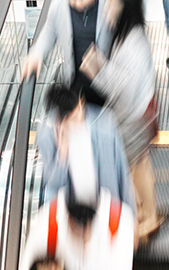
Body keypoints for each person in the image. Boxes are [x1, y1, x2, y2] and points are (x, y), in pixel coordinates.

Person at [86, 0, 162, 237]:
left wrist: (97, 71)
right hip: (138, 110)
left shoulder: (131, 43)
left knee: (136, 166)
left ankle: (149, 215)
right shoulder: (127, 31)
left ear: (126, 3)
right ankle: (143, 209)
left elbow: (122, 90)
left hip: (134, 115)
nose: (109, 3)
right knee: (137, 165)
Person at [36, 80, 135, 210]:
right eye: (75, 117)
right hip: (71, 213)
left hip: (106, 208)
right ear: (61, 121)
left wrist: (130, 211)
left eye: (81, 108)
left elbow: (121, 170)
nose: (82, 116)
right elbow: (53, 184)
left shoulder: (104, 123)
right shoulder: (46, 135)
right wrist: (63, 155)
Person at [23, 0, 108, 80]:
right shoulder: (58, 4)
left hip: (107, 85)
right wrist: (37, 53)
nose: (78, 4)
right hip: (75, 84)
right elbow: (49, 32)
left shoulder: (109, 3)